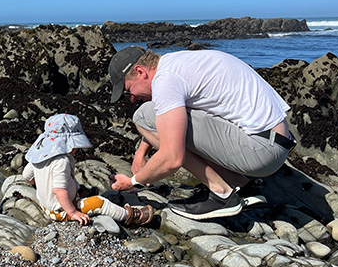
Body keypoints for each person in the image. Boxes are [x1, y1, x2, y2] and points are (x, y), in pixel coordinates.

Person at [109, 46, 296, 220]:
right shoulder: (176, 64)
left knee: (143, 114)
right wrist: (141, 152)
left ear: (141, 72)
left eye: (128, 90)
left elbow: (172, 158)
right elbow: (170, 120)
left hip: (260, 150)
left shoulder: (165, 81)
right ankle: (243, 187)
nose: (132, 98)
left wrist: (133, 182)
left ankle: (221, 194)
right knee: (156, 116)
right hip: (273, 142)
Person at [22, 113, 154, 226]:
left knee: (70, 182)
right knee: (101, 202)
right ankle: (130, 217)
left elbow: (27, 177)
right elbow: (59, 190)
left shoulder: (38, 156)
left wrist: (42, 185)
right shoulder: (61, 161)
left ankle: (80, 192)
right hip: (59, 210)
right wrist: (73, 212)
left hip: (45, 205)